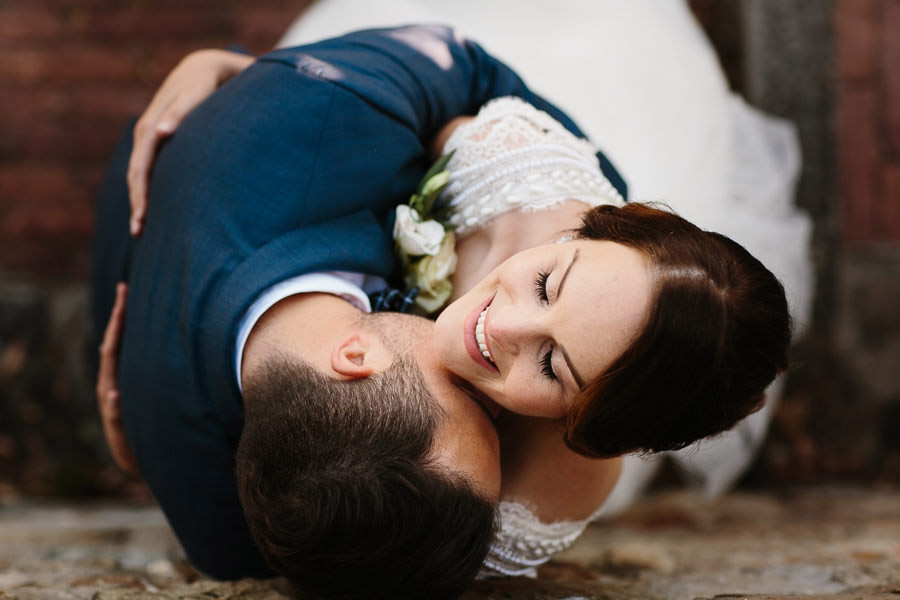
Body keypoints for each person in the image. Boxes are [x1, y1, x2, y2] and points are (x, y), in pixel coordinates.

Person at [93, 25, 626, 598]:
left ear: (356, 355)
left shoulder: (330, 112)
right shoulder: (208, 517)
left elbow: (471, 70)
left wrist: (603, 231)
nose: (499, 395)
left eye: (469, 399)